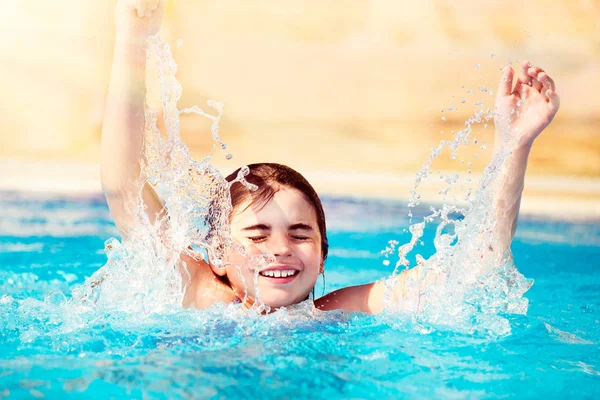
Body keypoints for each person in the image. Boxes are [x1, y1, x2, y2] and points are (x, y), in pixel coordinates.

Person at [102, 0, 560, 314]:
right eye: (257, 234)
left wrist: (513, 145)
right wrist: (133, 39)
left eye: (300, 234)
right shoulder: (199, 291)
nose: (280, 248)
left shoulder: (339, 313)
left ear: (323, 254)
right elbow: (125, 189)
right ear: (217, 253)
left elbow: (477, 264)